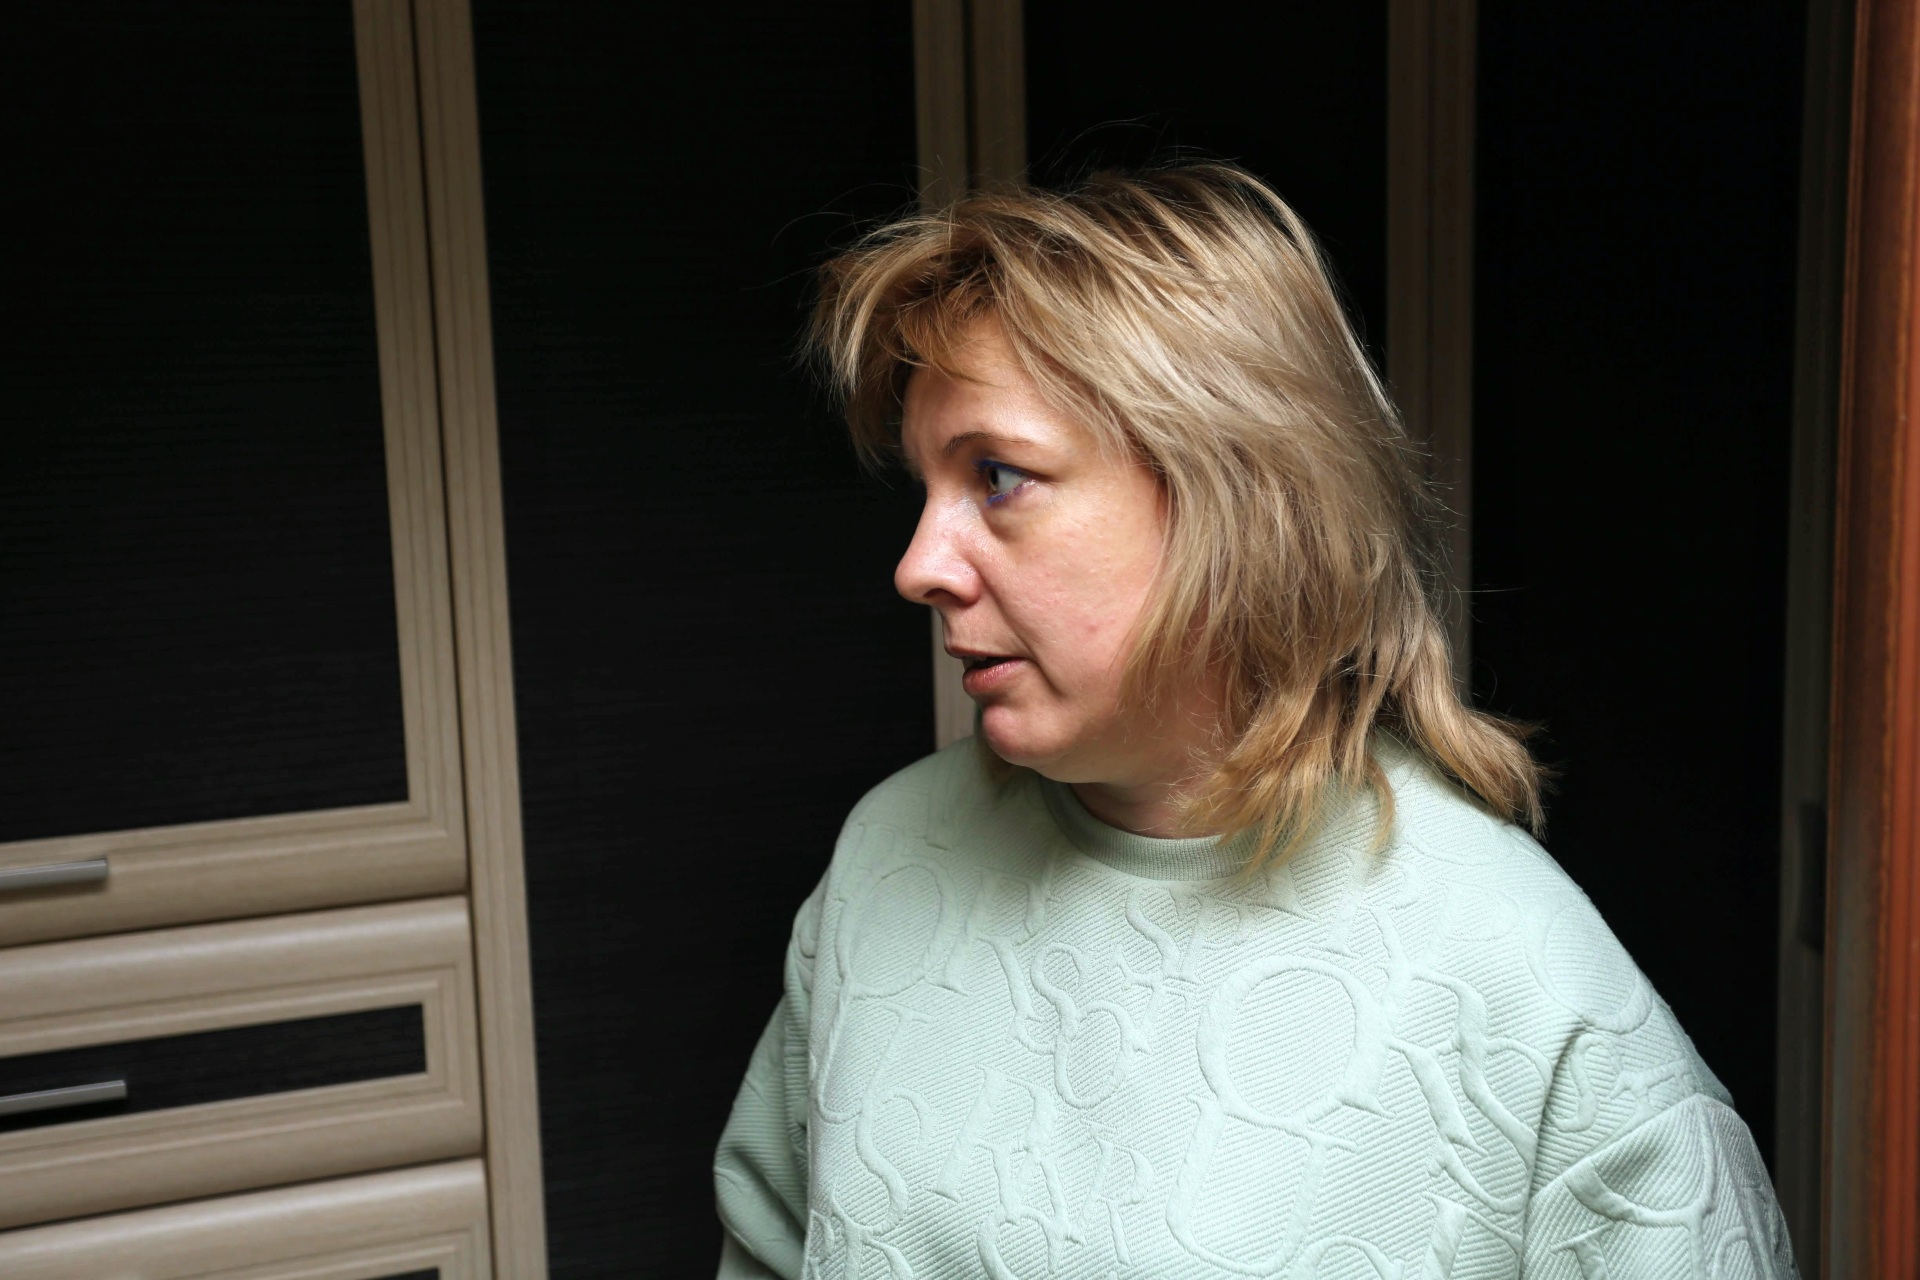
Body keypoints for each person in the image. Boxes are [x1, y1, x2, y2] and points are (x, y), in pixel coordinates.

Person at [713, 165, 1795, 1278]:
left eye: (998, 476)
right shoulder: (884, 859)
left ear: (1237, 494)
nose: (918, 566)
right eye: (926, 489)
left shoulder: (1523, 977)